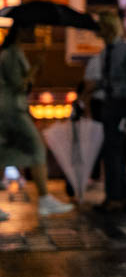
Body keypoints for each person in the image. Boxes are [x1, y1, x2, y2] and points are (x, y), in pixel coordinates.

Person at [0, 29, 72, 215]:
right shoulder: (11, 54)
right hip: (12, 109)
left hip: (9, 108)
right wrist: (35, 66)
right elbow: (19, 84)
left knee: (4, 153)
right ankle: (44, 198)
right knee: (37, 147)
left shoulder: (13, 53)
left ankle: (44, 198)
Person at [83, 13, 126, 213]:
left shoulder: (124, 49)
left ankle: (116, 197)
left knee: (114, 150)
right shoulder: (106, 51)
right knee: (114, 150)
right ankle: (119, 195)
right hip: (109, 103)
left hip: (120, 103)